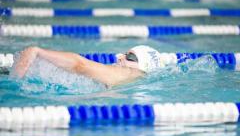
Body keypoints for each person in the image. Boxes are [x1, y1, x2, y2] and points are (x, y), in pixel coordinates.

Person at [15, 45, 164, 87]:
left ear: (143, 67)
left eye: (130, 56)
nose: (120, 57)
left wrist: (38, 51)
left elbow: (81, 65)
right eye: (124, 53)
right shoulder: (134, 81)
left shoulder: (127, 73)